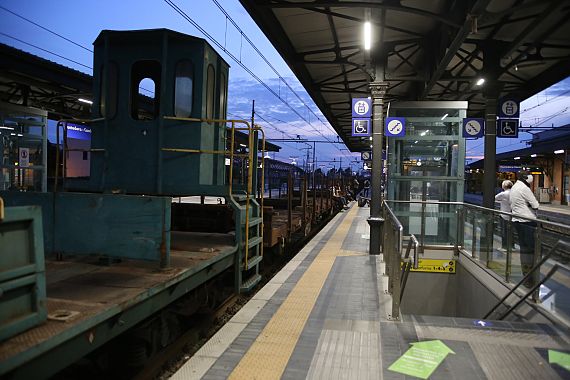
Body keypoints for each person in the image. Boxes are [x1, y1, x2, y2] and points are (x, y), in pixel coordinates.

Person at [510, 171, 539, 287]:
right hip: (527, 221)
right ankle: (531, 278)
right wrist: (530, 205)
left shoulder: (515, 187)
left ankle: (526, 276)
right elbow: (536, 205)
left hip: (517, 220)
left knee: (524, 249)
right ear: (526, 178)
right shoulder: (524, 188)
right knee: (532, 250)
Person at [495, 180, 513, 250]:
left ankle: (504, 247)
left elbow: (495, 198)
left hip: (504, 214)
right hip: (513, 215)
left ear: (503, 186)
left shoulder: (503, 194)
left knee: (504, 231)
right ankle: (512, 246)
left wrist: (502, 201)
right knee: (511, 231)